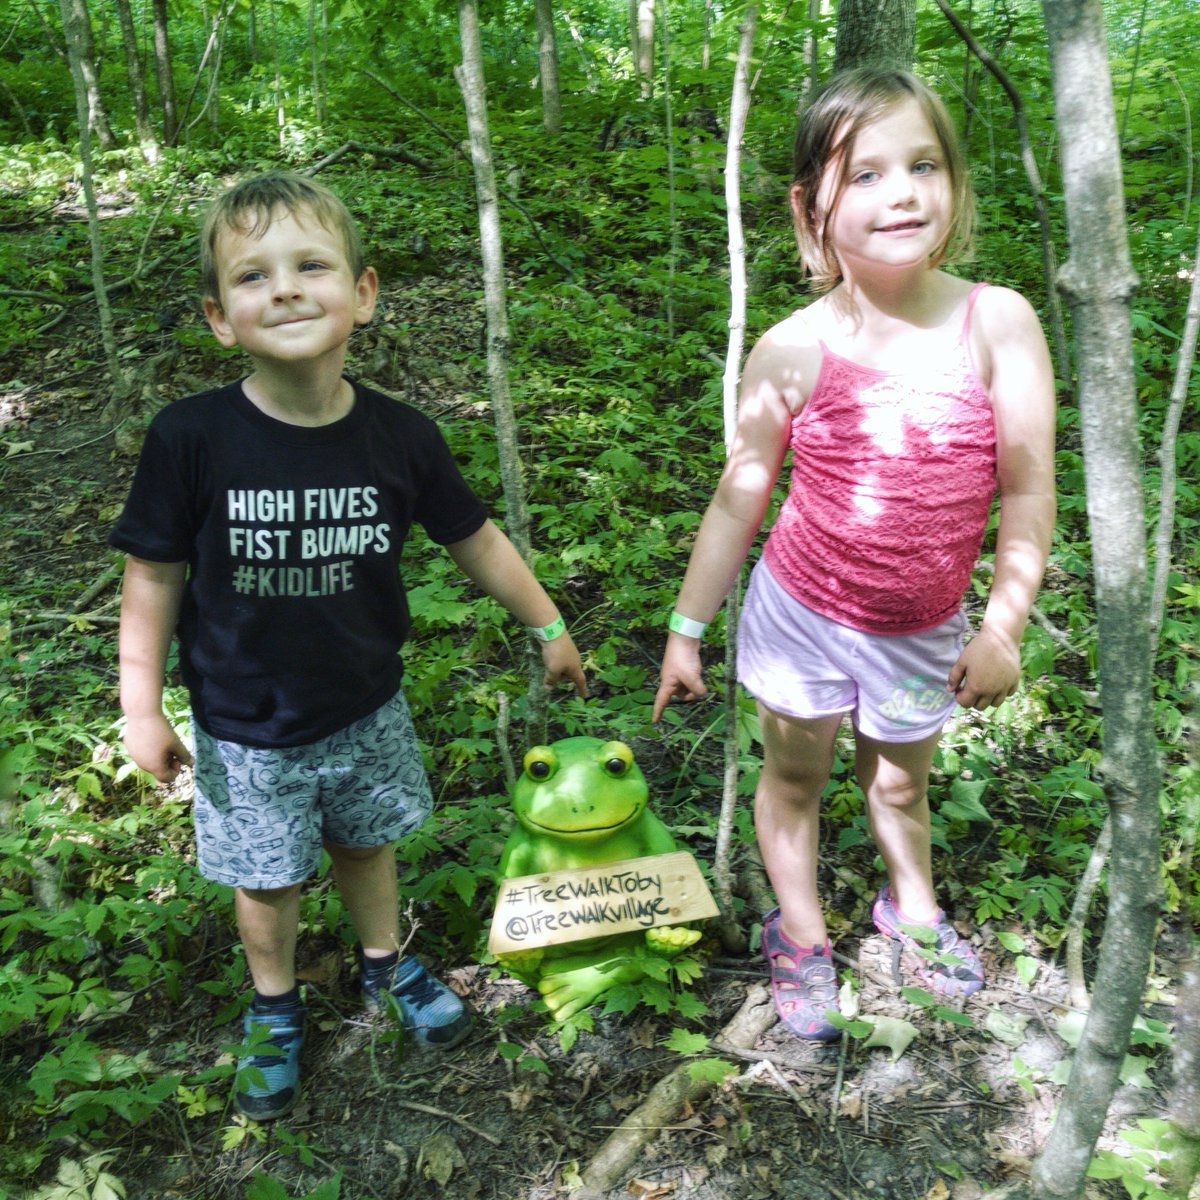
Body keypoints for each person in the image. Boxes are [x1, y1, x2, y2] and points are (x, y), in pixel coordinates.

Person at [111, 171, 587, 1118]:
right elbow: (153, 577)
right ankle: (275, 1007)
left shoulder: (399, 437)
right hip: (246, 728)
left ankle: (386, 964)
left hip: (367, 705)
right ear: (219, 316)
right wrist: (139, 704)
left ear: (363, 294)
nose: (283, 288)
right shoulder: (192, 438)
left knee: (368, 847)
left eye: (311, 265)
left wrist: (549, 624)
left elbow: (476, 539)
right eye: (253, 276)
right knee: (268, 878)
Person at [653, 68, 1055, 1041]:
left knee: (900, 781)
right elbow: (737, 499)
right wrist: (685, 631)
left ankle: (908, 909)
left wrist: (1003, 628)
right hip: (801, 619)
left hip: (922, 629)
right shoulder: (791, 350)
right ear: (811, 206)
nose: (903, 192)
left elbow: (1028, 487)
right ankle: (797, 932)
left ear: (953, 183)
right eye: (865, 173)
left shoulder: (996, 322)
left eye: (922, 164)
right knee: (792, 779)